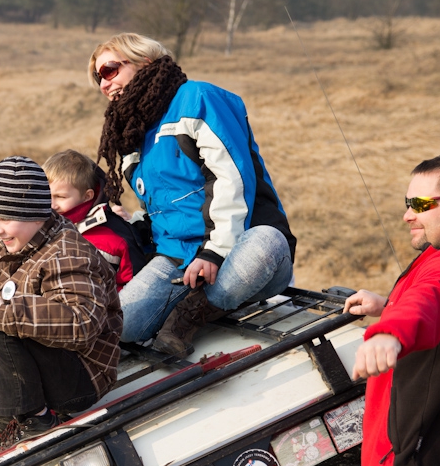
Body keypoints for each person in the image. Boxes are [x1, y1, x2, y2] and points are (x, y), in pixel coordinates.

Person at [88, 33, 296, 355]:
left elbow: (231, 178)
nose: (103, 83)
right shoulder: (133, 133)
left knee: (266, 243)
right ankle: (207, 303)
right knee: (122, 324)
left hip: (239, 244)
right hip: (178, 258)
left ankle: (188, 315)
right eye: (97, 77)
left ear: (144, 61)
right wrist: (135, 225)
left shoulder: (197, 98)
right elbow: (162, 205)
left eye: (109, 70)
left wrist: (213, 252)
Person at [0, 156, 122, 454]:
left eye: (4, 219)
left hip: (80, 376)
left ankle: (36, 417)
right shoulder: (12, 241)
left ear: (34, 214)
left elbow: (82, 324)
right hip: (35, 366)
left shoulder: (66, 253)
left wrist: (6, 313)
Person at [343, 154, 440, 466]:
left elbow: (436, 295)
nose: (408, 215)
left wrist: (390, 332)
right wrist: (388, 304)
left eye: (420, 204)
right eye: (408, 203)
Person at [0, 110, 146, 290]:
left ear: (87, 195)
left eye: (60, 197)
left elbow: (134, 286)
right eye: (48, 194)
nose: (52, 203)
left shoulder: (115, 235)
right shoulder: (38, 218)